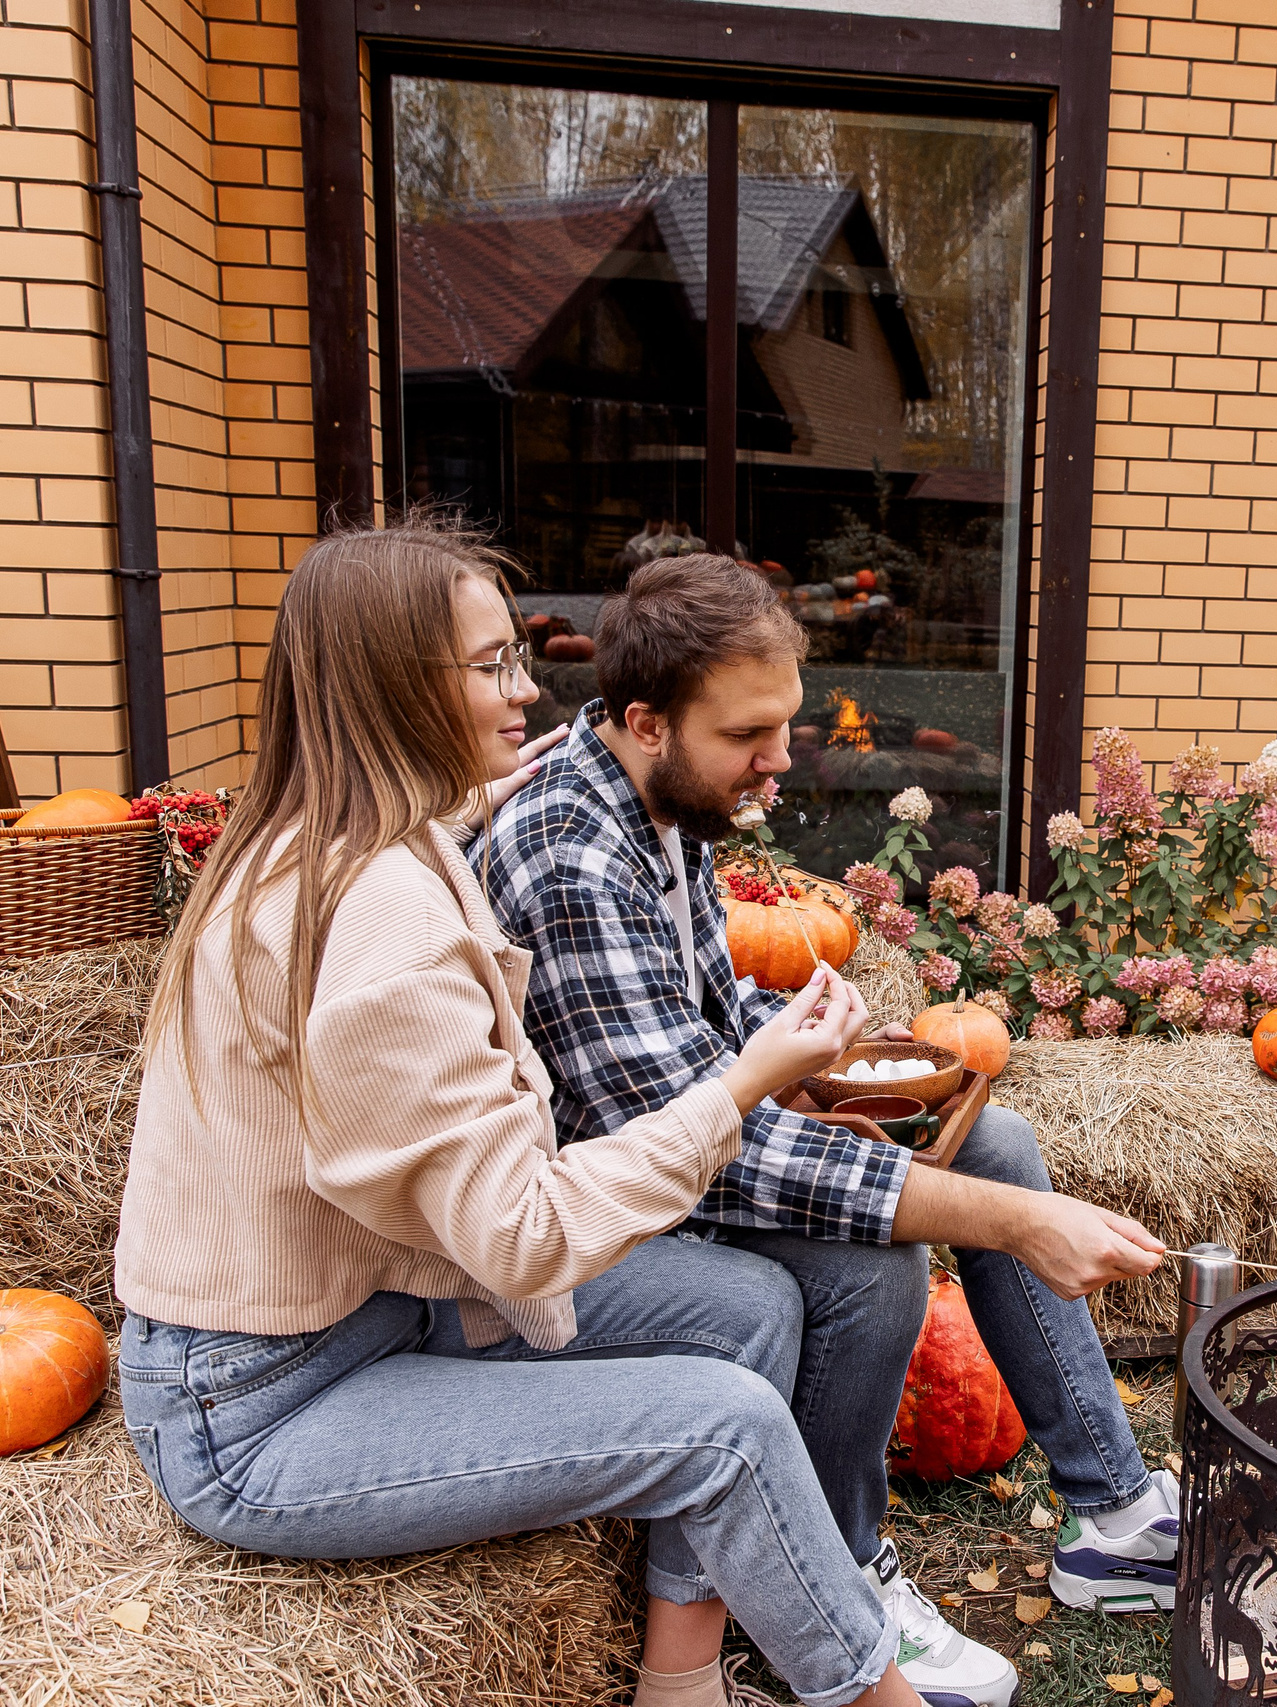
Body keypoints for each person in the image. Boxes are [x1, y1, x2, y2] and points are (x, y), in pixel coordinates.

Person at [114, 522, 936, 1707]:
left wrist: (493, 778)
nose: (529, 691)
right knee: (727, 1426)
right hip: (263, 1406)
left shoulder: (344, 835)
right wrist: (743, 1081)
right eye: (494, 666)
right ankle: (876, 1694)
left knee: (746, 1305)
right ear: (398, 687)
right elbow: (522, 1240)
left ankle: (681, 1682)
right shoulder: (381, 911)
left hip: (381, 1312)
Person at [481, 554, 1181, 1707]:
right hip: (583, 1209)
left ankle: (1109, 1516)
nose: (782, 756)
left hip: (672, 1136)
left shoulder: (662, 801)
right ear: (646, 720)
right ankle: (837, 1580)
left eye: (787, 724)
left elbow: (704, 1017)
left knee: (990, 1141)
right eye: (750, 733)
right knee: (868, 1270)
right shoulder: (574, 854)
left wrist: (822, 1051)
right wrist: (1016, 1226)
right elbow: (685, 1149)